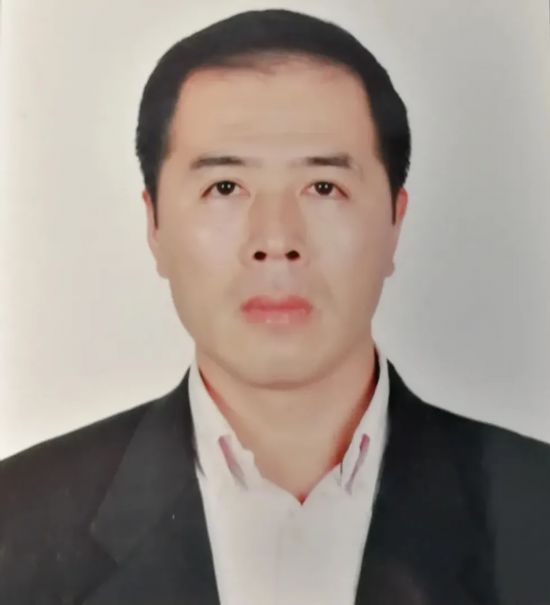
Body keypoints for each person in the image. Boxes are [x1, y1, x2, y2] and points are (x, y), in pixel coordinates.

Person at [1, 8, 549, 605]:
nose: (276, 240)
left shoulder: (533, 511)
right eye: (225, 187)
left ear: (395, 222)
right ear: (154, 224)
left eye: (324, 187)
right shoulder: (18, 520)